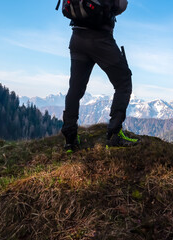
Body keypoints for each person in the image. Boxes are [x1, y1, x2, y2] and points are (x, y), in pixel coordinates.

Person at [61, 0, 138, 152]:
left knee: (75, 89)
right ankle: (114, 134)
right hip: (101, 40)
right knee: (123, 82)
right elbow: (120, 6)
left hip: (77, 39)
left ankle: (70, 139)